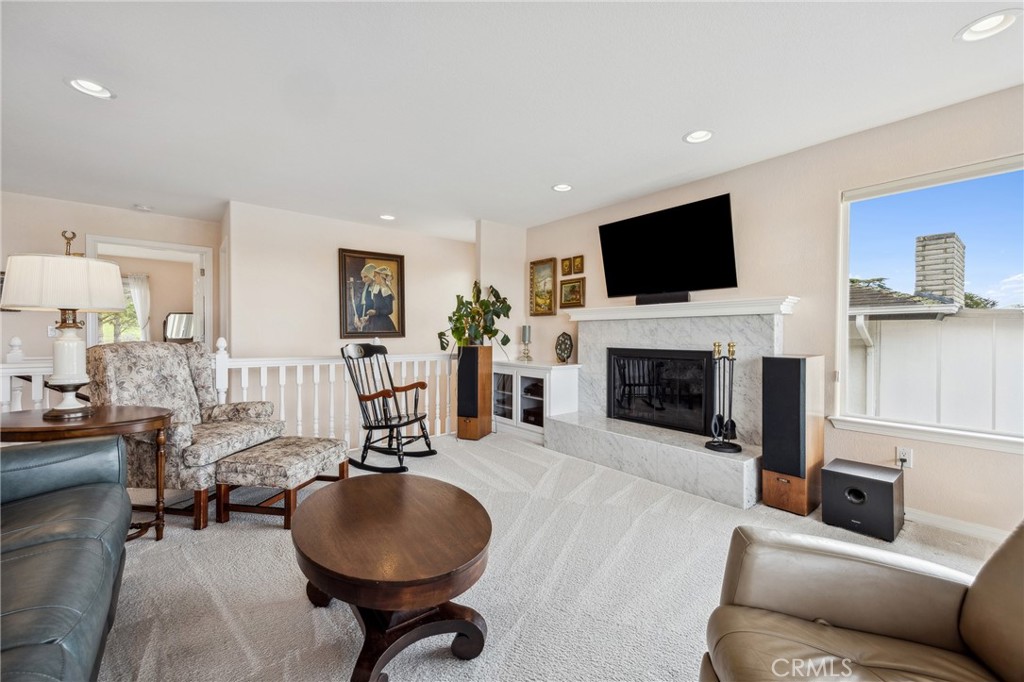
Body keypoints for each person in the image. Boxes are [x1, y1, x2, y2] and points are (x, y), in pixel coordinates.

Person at [363, 265, 397, 332]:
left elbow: (389, 310)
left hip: (383, 323)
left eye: (375, 276)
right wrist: (368, 318)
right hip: (374, 321)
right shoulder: (377, 290)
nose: (374, 278)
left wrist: (375, 312)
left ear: (381, 276)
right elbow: (376, 307)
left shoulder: (386, 290)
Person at [352, 263, 376, 331]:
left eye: (365, 277)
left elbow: (378, 308)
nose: (363, 280)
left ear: (372, 275)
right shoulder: (366, 288)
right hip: (363, 321)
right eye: (362, 277)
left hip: (374, 321)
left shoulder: (379, 289)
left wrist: (367, 318)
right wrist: (356, 317)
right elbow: (360, 304)